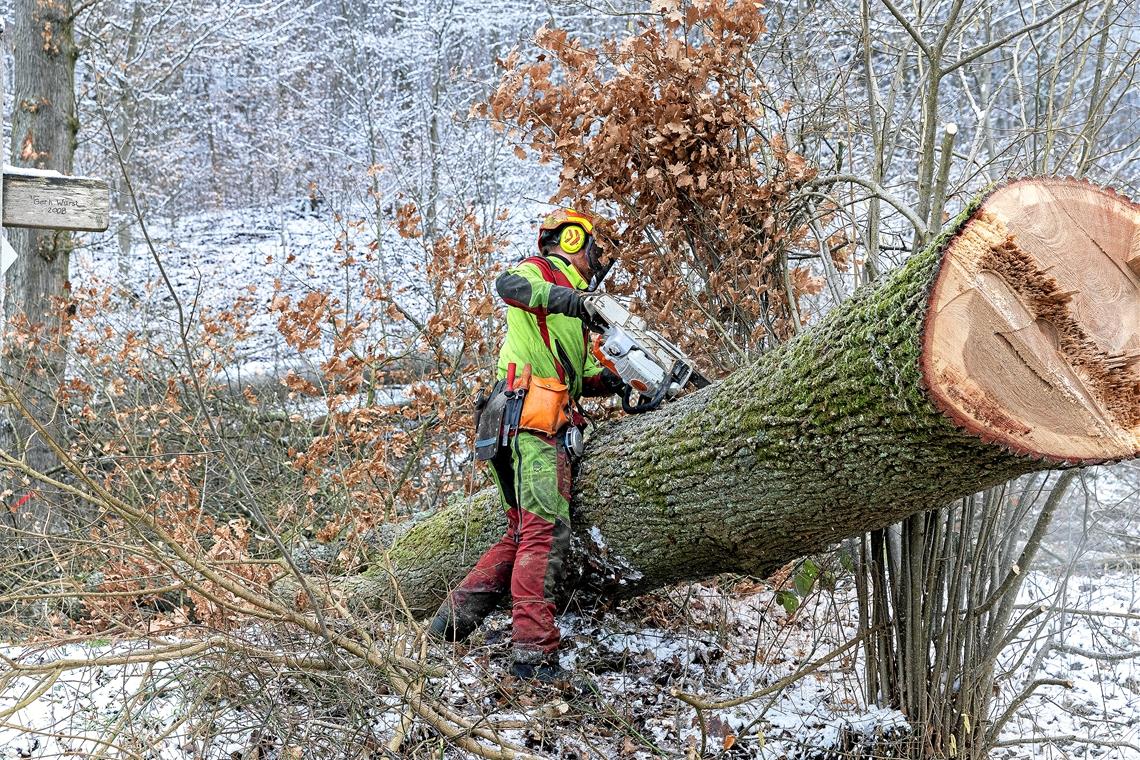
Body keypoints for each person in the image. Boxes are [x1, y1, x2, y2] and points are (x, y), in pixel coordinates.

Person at [427, 208, 622, 683]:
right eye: (593, 249)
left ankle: (446, 627)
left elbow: (578, 376)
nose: (596, 260)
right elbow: (507, 285)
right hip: (531, 425)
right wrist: (572, 301)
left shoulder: (568, 317)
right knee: (543, 533)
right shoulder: (540, 276)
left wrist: (620, 380)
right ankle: (533, 653)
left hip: (514, 424)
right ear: (575, 241)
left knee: (519, 535)